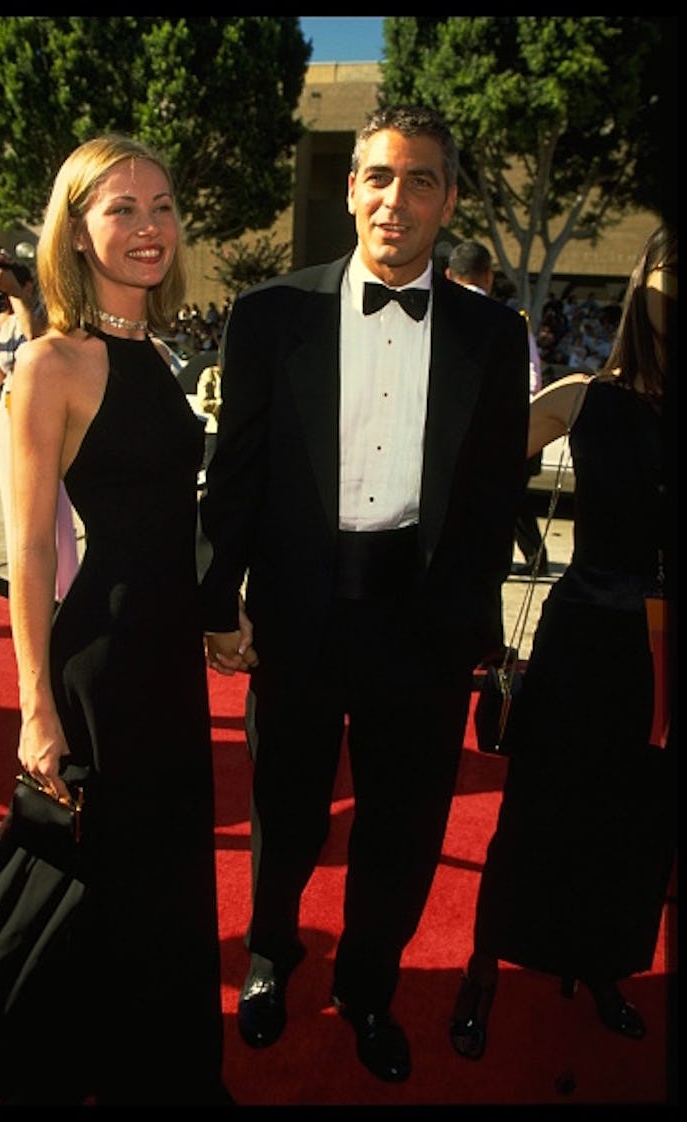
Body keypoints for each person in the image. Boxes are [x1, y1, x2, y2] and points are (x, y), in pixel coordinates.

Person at [199, 104, 529, 1083]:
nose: (396, 198)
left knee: (405, 825)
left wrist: (471, 622)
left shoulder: (493, 333)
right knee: (284, 811)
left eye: (420, 179)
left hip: (420, 628)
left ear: (448, 198)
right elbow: (237, 473)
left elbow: (489, 493)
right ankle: (269, 955)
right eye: (378, 176)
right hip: (298, 615)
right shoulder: (270, 314)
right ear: (350, 190)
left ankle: (369, 989)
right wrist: (220, 600)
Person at [4, 134, 232, 1105]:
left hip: (169, 652)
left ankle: (169, 1069)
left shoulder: (159, 352)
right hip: (101, 656)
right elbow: (27, 552)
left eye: (162, 206)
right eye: (120, 209)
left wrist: (217, 619)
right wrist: (32, 709)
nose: (148, 227)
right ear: (78, 231)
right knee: (113, 879)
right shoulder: (53, 363)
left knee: (172, 875)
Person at [450, 223, 677, 1061]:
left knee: (638, 823)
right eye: (670, 273)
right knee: (538, 813)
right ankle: (482, 965)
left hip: (662, 661)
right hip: (583, 639)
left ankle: (606, 963)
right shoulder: (584, 395)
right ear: (640, 283)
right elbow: (471, 475)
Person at [445, 239, 548, 576]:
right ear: (488, 276)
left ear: (448, 275)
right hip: (509, 431)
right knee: (507, 499)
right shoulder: (511, 323)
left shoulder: (437, 320)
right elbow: (532, 379)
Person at [0, 256, 80, 601]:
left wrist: (20, 300)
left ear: (26, 286)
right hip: (7, 415)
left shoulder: (45, 314)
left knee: (49, 504)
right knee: (16, 505)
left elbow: (38, 340)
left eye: (11, 287)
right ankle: (29, 588)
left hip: (40, 411)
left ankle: (62, 587)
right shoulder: (4, 320)